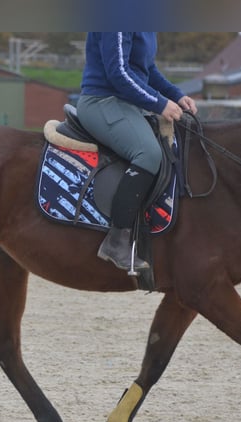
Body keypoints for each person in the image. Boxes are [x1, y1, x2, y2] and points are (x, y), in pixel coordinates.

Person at [77, 32, 197, 273]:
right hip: (103, 102)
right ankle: (116, 240)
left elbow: (147, 70)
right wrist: (159, 103)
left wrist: (176, 95)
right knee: (149, 154)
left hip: (129, 104)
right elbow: (118, 72)